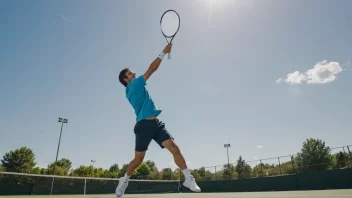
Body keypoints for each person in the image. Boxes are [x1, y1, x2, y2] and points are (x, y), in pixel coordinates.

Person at [115, 44, 201, 197]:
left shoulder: (134, 85)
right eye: (130, 73)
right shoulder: (134, 85)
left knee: (174, 148)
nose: (134, 73)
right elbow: (152, 69)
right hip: (144, 125)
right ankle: (124, 180)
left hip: (156, 124)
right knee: (138, 160)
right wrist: (163, 52)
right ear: (126, 80)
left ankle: (188, 178)